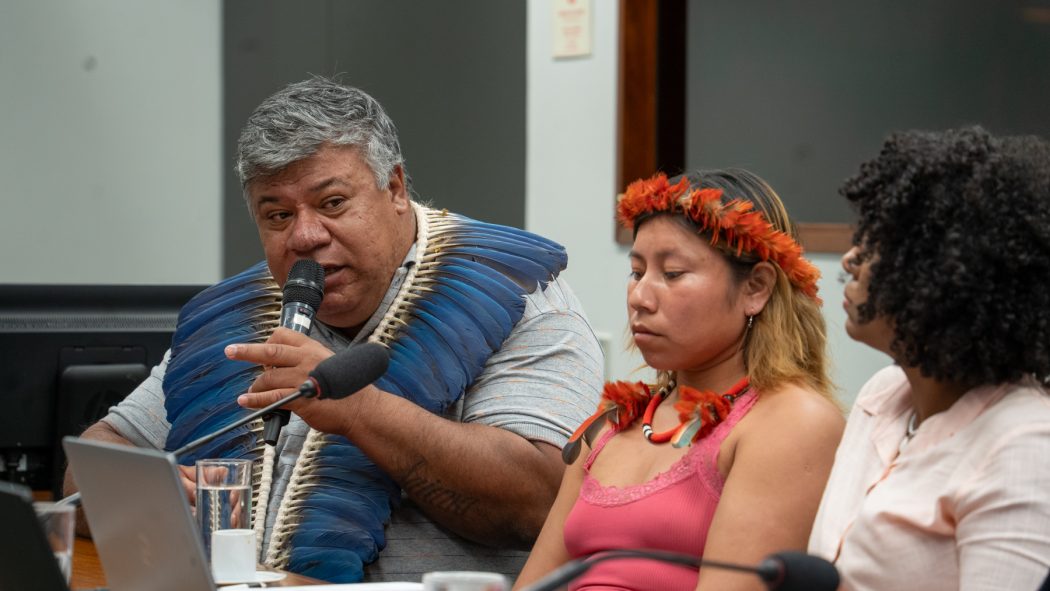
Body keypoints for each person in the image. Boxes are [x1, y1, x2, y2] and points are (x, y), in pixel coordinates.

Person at [63, 76, 605, 583]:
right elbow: (94, 461)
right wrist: (151, 500)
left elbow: (539, 502)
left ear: (394, 189)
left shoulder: (519, 297)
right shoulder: (246, 313)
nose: (304, 236)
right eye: (276, 215)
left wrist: (358, 410)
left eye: (333, 203)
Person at [514, 169, 845, 591]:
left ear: (756, 288)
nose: (639, 296)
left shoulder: (791, 420)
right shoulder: (614, 423)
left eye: (672, 274)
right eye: (636, 272)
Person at [808, 126, 1050, 590]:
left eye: (878, 246)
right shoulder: (882, 394)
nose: (849, 260)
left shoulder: (1025, 444)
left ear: (946, 276)